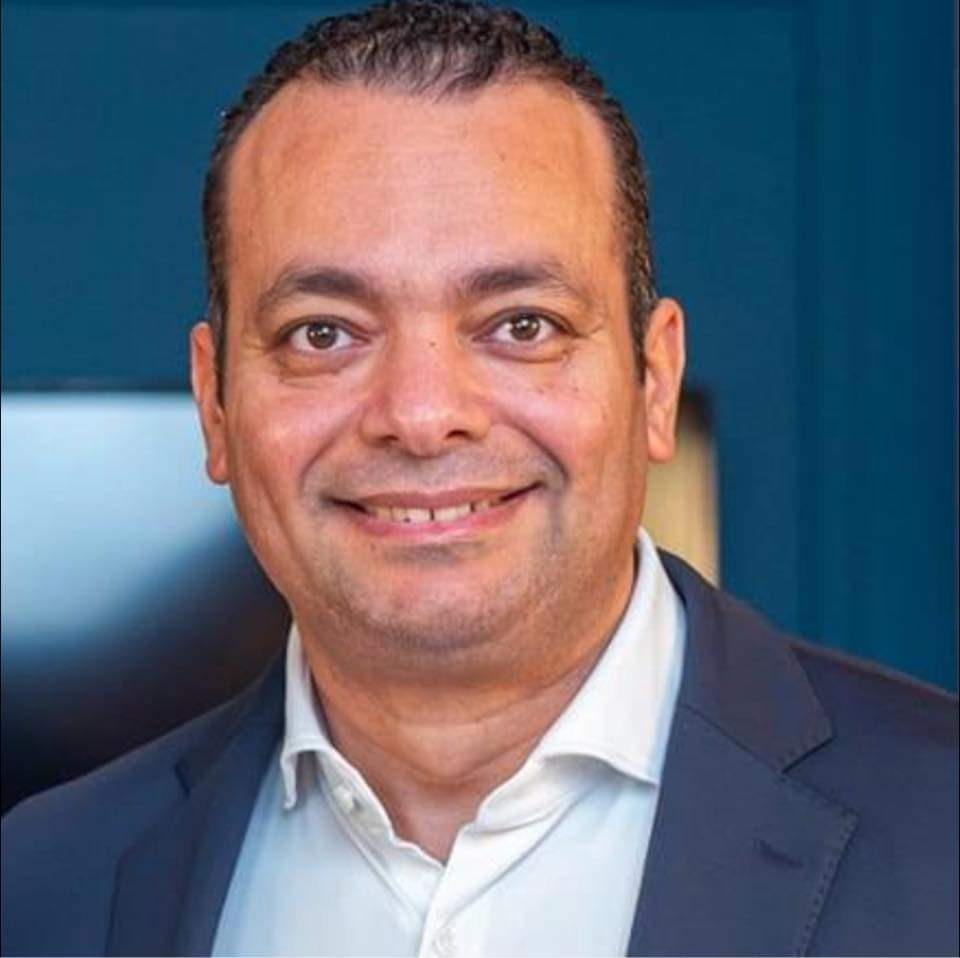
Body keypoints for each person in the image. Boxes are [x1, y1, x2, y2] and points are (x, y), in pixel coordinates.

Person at [2, 1, 957, 955]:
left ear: (654, 380)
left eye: (521, 325)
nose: (421, 416)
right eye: (323, 333)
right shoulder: (40, 888)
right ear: (214, 403)